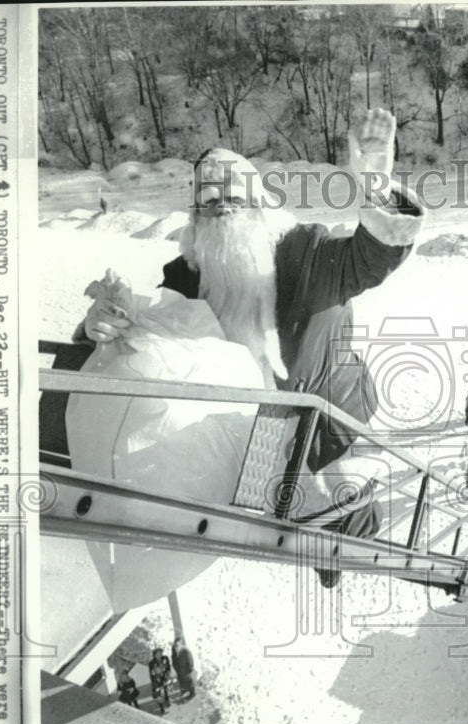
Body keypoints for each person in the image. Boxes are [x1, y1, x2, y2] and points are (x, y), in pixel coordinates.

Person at [77, 109, 426, 589]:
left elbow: (368, 259)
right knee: (278, 510)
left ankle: (344, 551)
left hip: (321, 417)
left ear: (259, 202)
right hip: (247, 428)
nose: (221, 204)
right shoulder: (186, 273)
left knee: (343, 522)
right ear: (194, 212)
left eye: (233, 194)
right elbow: (152, 331)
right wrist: (99, 324)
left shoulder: (305, 250)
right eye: (208, 197)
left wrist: (377, 191)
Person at [148, 647, 173, 714]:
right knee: (158, 695)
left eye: (160, 653)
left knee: (166, 689)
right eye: (157, 654)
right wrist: (156, 681)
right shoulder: (151, 663)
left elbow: (168, 668)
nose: (159, 655)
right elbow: (151, 674)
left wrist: (167, 676)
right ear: (154, 655)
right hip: (156, 680)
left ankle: (167, 700)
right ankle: (162, 708)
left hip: (165, 677)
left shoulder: (165, 658)